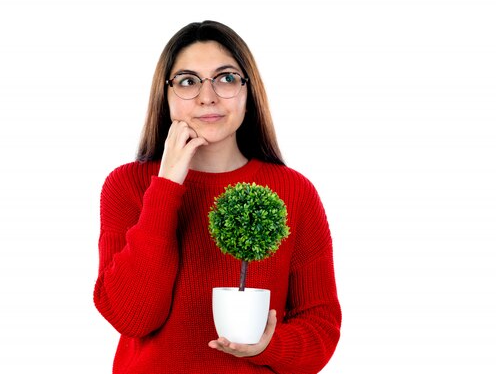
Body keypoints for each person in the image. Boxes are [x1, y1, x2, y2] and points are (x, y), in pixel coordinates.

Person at [93, 20, 341, 373]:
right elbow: (133, 318)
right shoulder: (127, 185)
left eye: (226, 78)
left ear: (247, 90)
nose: (207, 97)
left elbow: (320, 328)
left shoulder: (294, 192)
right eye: (188, 81)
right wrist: (166, 186)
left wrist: (268, 346)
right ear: (166, 95)